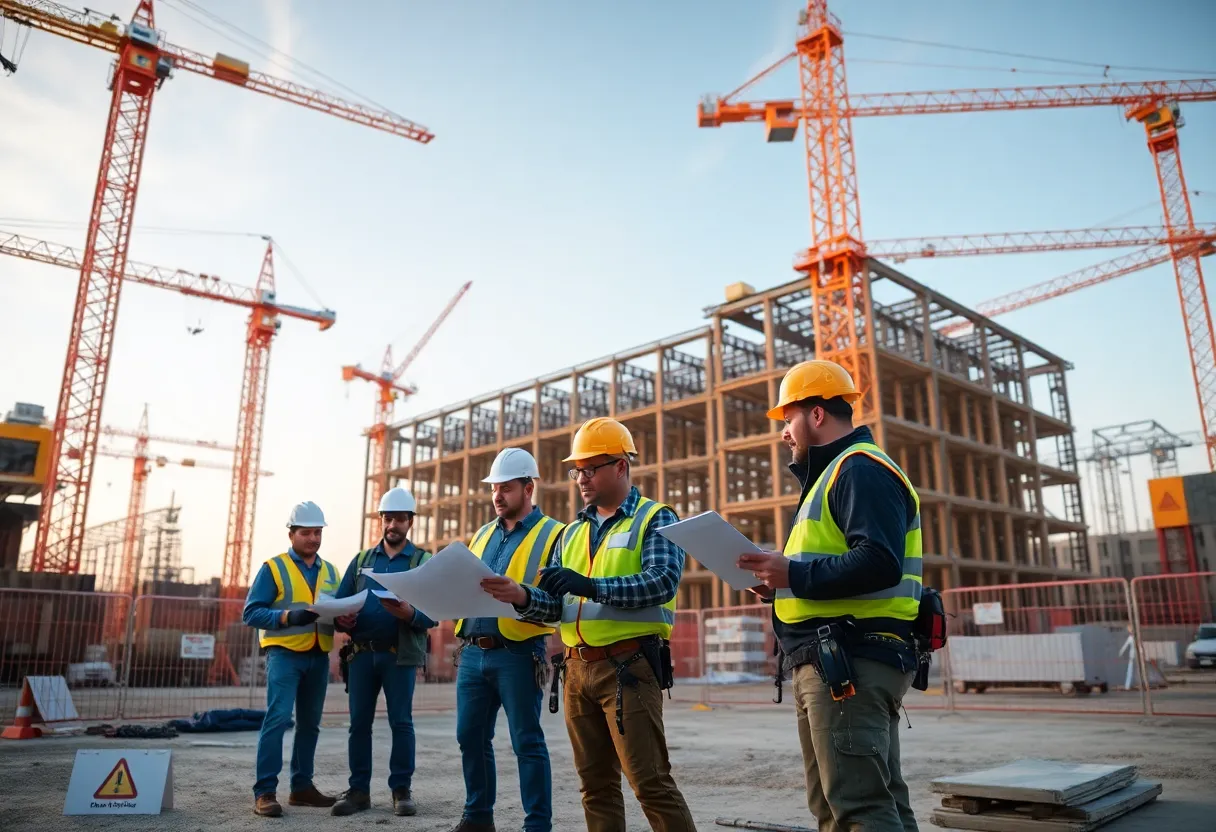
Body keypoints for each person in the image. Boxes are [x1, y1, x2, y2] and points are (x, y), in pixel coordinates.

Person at [737, 359, 922, 832]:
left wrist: (794, 575)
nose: (784, 434)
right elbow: (833, 568)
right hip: (833, 658)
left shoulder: (859, 469)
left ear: (816, 415)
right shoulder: (833, 475)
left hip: (849, 660)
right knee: (848, 805)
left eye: (787, 420)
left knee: (858, 809)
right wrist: (779, 582)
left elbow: (880, 561)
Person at [490, 417, 696, 832]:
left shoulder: (655, 518)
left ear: (620, 466)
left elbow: (660, 581)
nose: (580, 478)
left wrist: (590, 585)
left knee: (650, 782)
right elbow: (555, 605)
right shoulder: (571, 532)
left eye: (590, 468)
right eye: (576, 470)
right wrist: (522, 597)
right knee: (595, 786)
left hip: (629, 669)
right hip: (576, 671)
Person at [446, 447, 565, 832]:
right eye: (494, 488)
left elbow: (559, 604)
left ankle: (537, 826)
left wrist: (522, 595)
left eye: (506, 488)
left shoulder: (555, 535)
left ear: (528, 488)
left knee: (526, 743)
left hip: (518, 653)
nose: (497, 496)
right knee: (470, 738)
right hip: (473, 653)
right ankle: (478, 816)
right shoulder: (482, 534)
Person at [329, 486, 437, 817]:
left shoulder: (422, 562)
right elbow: (336, 605)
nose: (393, 524)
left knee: (401, 722)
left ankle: (401, 791)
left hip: (399, 655)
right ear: (381, 520)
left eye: (400, 519)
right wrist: (341, 619)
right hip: (361, 654)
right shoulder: (361, 561)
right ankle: (358, 791)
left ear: (410, 522)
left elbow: (434, 613)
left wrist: (410, 615)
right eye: (388, 518)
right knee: (358, 724)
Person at [242, 500, 342, 817]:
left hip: (318, 656)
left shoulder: (331, 571)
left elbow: (333, 611)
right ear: (292, 534)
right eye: (306, 532)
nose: (313, 538)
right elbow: (251, 613)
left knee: (310, 725)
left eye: (317, 532)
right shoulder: (274, 568)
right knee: (278, 720)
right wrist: (287, 617)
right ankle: (265, 792)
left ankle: (301, 788)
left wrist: (345, 619)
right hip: (284, 656)